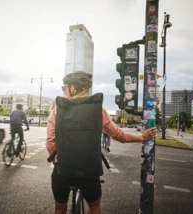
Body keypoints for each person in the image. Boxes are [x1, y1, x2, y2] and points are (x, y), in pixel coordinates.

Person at [46, 71, 157, 214]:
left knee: (60, 208)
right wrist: (142, 137)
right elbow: (119, 135)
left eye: (64, 88)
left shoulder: (57, 111)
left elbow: (50, 142)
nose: (64, 91)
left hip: (62, 170)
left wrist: (58, 161)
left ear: (73, 88)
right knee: (94, 206)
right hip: (89, 170)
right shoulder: (98, 110)